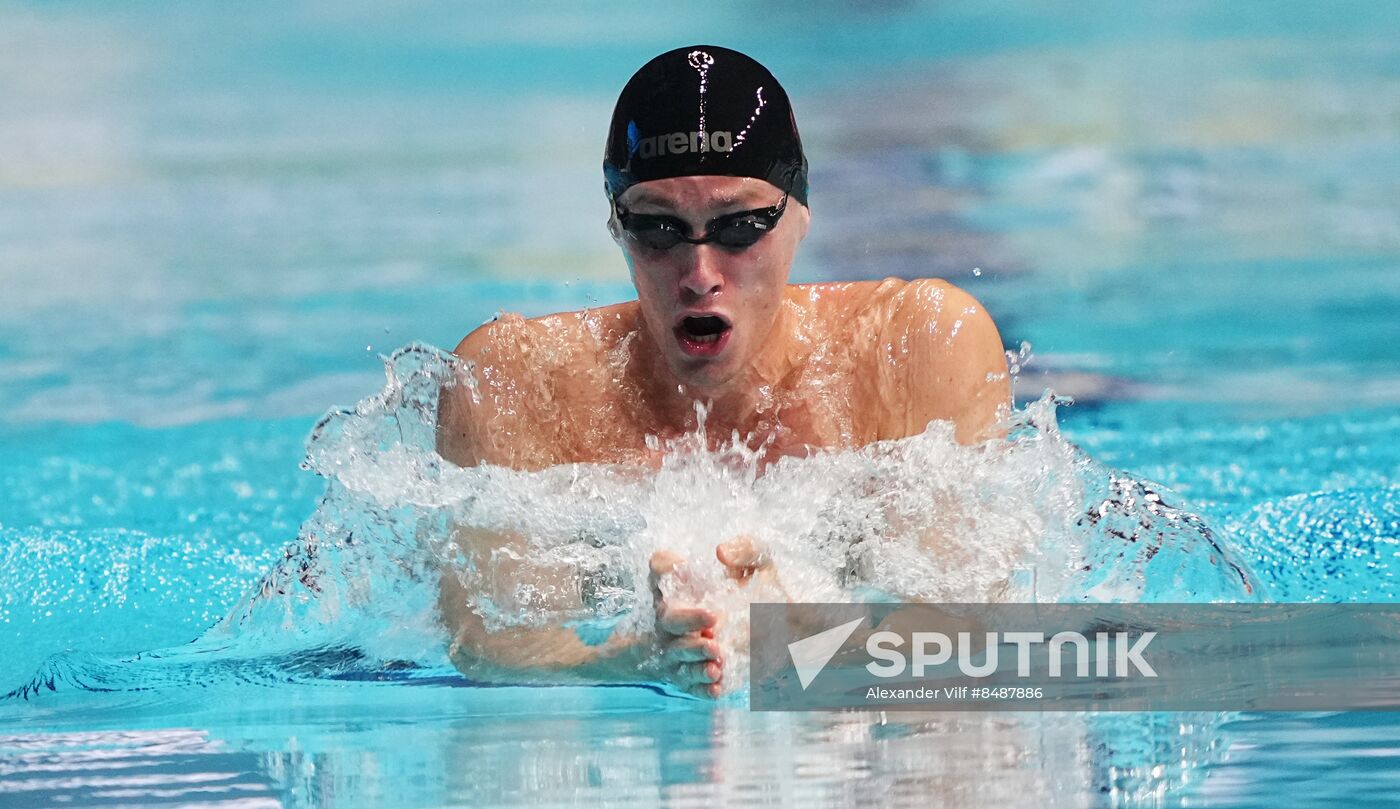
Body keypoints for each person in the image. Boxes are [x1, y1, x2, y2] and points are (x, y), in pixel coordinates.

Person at [435, 45, 1010, 698]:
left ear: (800, 216)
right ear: (616, 226)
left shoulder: (913, 350)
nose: (701, 274)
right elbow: (488, 645)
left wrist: (823, 641)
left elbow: (971, 626)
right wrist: (617, 663)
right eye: (657, 228)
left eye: (739, 227)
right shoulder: (518, 383)